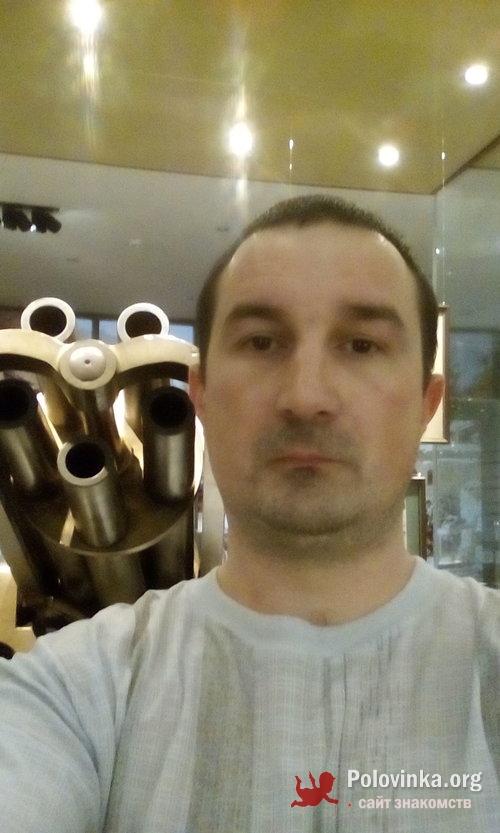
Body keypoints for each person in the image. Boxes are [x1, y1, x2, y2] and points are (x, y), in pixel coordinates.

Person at [0, 194, 498, 832]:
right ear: (201, 395)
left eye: (362, 345)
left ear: (426, 403)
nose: (306, 396)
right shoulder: (72, 692)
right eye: (261, 342)